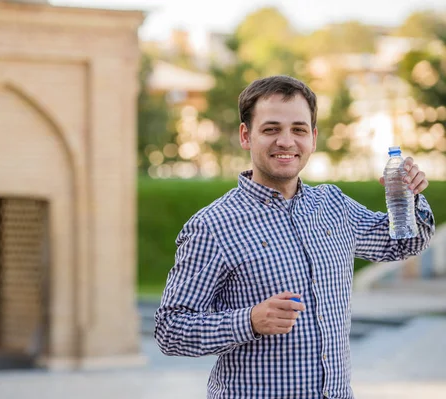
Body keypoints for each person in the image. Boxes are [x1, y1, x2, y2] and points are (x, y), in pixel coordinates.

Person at [153, 75, 435, 399]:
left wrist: (409, 197)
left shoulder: (333, 205)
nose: (286, 141)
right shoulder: (213, 225)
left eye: (298, 129)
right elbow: (170, 331)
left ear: (313, 138)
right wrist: (249, 320)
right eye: (271, 129)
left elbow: (404, 243)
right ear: (246, 136)